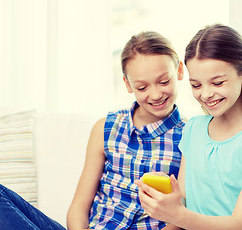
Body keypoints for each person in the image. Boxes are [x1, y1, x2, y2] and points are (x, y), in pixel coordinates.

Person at [0, 31, 186, 230]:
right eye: (142, 87)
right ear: (127, 84)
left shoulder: (190, 136)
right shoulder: (106, 128)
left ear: (180, 71)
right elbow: (78, 208)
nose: (156, 94)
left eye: (164, 81)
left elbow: (181, 217)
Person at [136, 24, 242, 230]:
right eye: (196, 85)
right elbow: (184, 205)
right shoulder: (193, 130)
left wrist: (178, 214)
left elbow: (239, 224)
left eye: (217, 83)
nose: (205, 94)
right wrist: (170, 210)